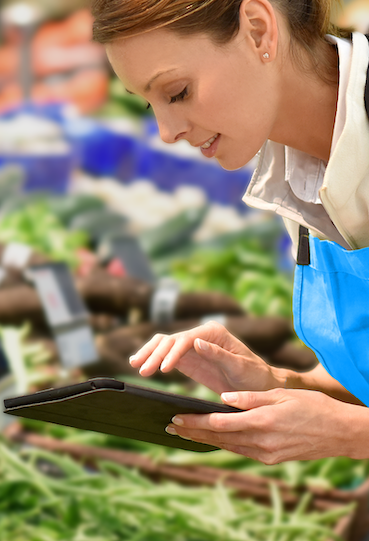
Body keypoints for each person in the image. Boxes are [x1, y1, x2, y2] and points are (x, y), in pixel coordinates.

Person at [89, 0, 369, 464]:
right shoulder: (298, 165)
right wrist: (275, 383)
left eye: (177, 93)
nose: (166, 131)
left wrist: (351, 435)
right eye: (149, 102)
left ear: (259, 30)